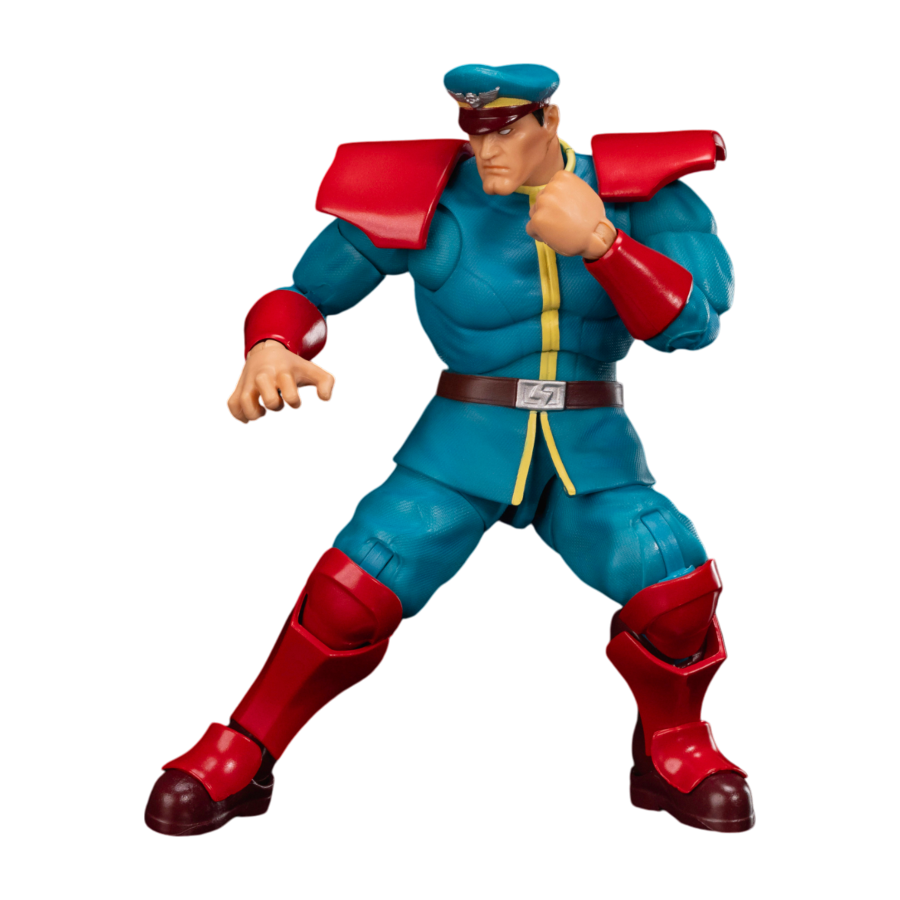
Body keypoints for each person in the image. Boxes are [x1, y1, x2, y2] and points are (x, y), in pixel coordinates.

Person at [144, 62, 755, 836]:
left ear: (550, 122)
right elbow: (305, 291)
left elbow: (694, 327)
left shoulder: (646, 193)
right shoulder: (428, 196)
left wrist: (604, 244)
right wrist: (271, 345)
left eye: (504, 133)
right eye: (472, 134)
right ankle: (247, 742)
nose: (485, 152)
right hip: (465, 440)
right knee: (351, 591)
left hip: (591, 445)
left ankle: (673, 743)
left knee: (678, 583)